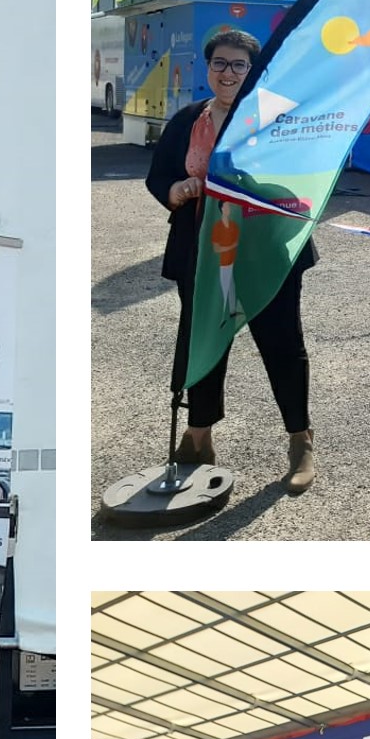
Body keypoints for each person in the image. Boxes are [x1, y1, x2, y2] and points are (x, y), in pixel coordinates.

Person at [148, 29, 315, 491]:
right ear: (208, 68)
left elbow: (301, 179)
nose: (228, 73)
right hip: (204, 253)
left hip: (266, 253)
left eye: (239, 65)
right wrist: (175, 190)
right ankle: (198, 434)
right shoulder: (186, 120)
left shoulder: (277, 118)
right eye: (220, 63)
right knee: (203, 339)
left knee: (282, 343)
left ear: (253, 72)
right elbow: (158, 175)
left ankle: (300, 441)